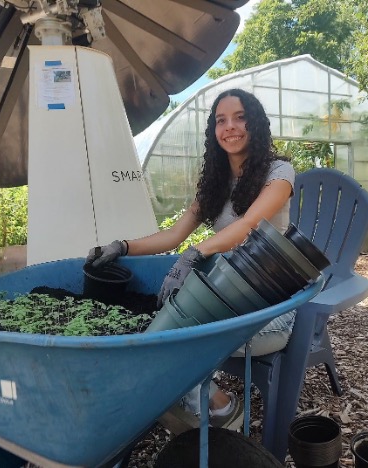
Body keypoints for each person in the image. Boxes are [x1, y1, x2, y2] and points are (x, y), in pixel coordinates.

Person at [86, 88, 296, 431]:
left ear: (255, 123)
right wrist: (121, 246)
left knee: (175, 341)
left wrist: (197, 253)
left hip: (272, 308)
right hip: (229, 296)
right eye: (221, 120)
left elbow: (248, 225)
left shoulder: (279, 172)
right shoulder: (215, 183)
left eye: (240, 117)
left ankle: (220, 408)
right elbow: (173, 234)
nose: (230, 126)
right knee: (162, 333)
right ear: (213, 131)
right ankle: (198, 406)